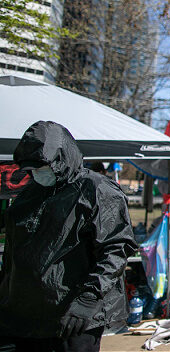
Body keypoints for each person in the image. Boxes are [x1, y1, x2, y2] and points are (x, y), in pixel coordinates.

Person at [0, 121, 137, 351]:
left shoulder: (96, 189)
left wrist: (89, 297)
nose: (37, 173)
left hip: (73, 318)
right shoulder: (30, 194)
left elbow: (116, 248)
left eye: (43, 166)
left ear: (62, 158)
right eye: (33, 168)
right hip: (26, 317)